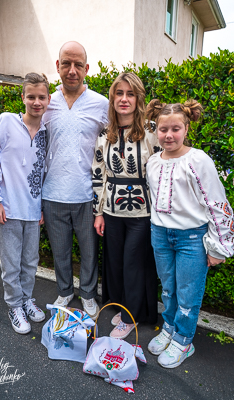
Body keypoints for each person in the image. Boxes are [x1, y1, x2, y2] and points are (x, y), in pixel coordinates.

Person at [0, 42, 109, 320]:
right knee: (60, 251)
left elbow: (119, 136)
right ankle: (65, 291)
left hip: (87, 195)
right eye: (66, 63)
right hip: (50, 194)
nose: (72, 70)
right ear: (58, 66)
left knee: (89, 253)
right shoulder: (47, 102)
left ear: (87, 68)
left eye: (78, 65)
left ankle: (88, 294)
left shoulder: (102, 104)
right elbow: (20, 134)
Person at [145, 99, 234, 368]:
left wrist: (219, 247)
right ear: (156, 129)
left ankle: (184, 340)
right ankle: (170, 328)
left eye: (175, 129)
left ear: (186, 128)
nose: (169, 135)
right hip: (160, 234)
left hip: (191, 239)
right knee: (169, 289)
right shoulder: (152, 162)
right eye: (163, 129)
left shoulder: (198, 160)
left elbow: (218, 204)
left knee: (188, 292)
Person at [92, 72, 160, 339]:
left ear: (138, 98)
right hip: (111, 210)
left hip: (143, 212)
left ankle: (131, 315)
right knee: (116, 262)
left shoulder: (152, 130)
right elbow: (99, 173)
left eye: (130, 93)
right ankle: (121, 305)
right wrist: (98, 212)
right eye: (119, 93)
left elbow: (164, 169)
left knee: (134, 262)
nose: (124, 99)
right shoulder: (104, 132)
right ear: (112, 98)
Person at [0, 73, 51, 334]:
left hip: (32, 209)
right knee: (11, 263)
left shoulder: (46, 131)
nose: (36, 102)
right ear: (22, 97)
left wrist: (41, 206)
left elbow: (43, 172)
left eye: (41, 97)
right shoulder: (6, 122)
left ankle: (26, 299)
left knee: (30, 261)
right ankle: (14, 305)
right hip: (7, 209)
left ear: (48, 99)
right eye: (31, 96)